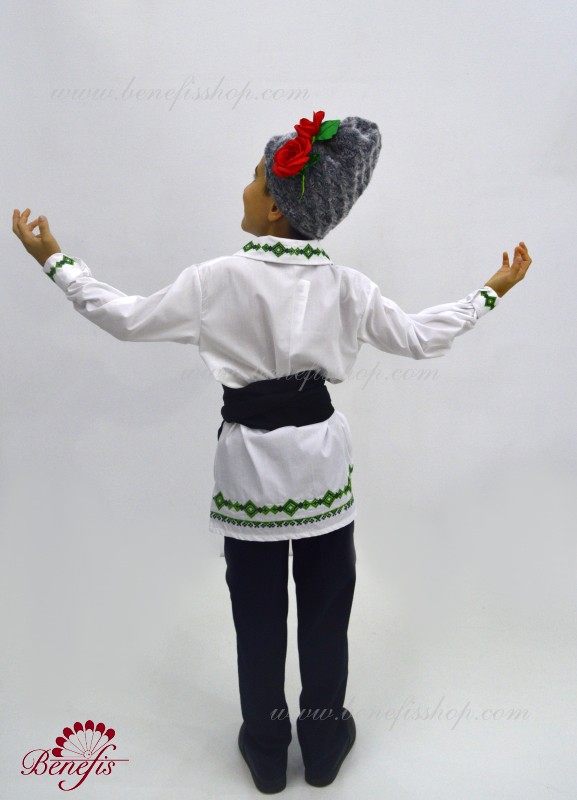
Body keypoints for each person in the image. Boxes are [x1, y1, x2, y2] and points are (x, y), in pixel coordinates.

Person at [12, 109, 532, 794]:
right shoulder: (348, 286)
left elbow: (127, 318)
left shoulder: (214, 280)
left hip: (249, 468)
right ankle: (322, 741)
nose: (246, 187)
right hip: (320, 463)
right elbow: (415, 337)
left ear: (278, 209)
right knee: (327, 605)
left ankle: (264, 746)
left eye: (257, 178)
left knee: (255, 610)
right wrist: (489, 293)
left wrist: (55, 261)